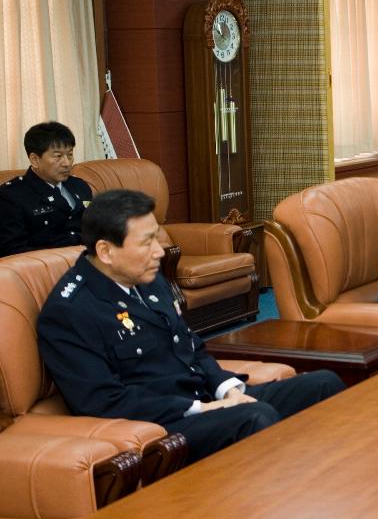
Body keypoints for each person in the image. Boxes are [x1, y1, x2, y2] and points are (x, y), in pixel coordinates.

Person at [37, 189, 346, 463]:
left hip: (206, 400)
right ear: (105, 251)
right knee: (255, 417)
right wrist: (199, 408)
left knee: (323, 384)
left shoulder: (146, 276)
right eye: (147, 243)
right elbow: (104, 401)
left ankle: (331, 476)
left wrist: (228, 390)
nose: (159, 252)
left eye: (157, 238)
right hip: (164, 425)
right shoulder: (70, 312)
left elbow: (190, 345)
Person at [0, 121, 94, 256]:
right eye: (58, 156)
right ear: (34, 159)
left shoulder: (80, 186)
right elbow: (12, 250)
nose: (67, 163)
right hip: (43, 268)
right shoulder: (11, 195)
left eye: (70, 154)